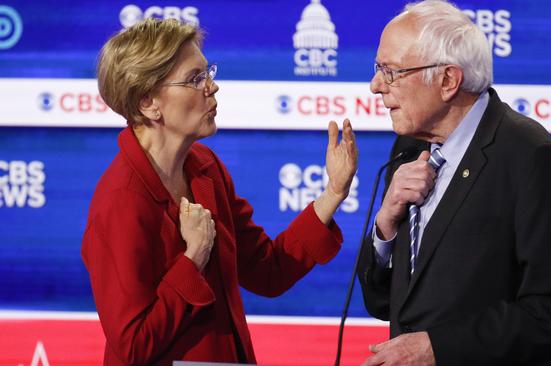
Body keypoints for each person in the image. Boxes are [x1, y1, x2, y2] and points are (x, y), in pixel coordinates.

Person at [81, 18, 358, 365]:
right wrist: (193, 258)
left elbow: (268, 271)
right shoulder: (121, 201)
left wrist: (332, 192)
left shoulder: (205, 167)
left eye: (207, 73)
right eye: (196, 79)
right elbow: (134, 345)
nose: (212, 87)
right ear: (149, 102)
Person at [357, 1, 551, 365]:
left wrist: (439, 348)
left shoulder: (528, 155)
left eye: (391, 72)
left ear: (448, 80)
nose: (375, 86)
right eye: (378, 69)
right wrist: (385, 225)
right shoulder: (408, 150)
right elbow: (383, 302)